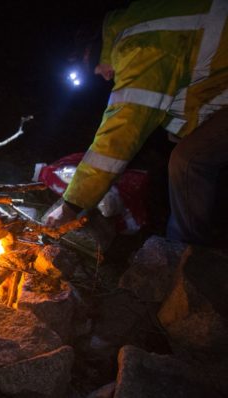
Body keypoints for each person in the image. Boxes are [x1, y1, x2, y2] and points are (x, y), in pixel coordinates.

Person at [45, 0, 228, 244]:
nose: (103, 75)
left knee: (188, 161)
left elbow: (119, 135)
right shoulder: (137, 20)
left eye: (94, 69)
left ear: (90, 49)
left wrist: (70, 205)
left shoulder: (140, 48)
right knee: (188, 149)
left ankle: (182, 256)